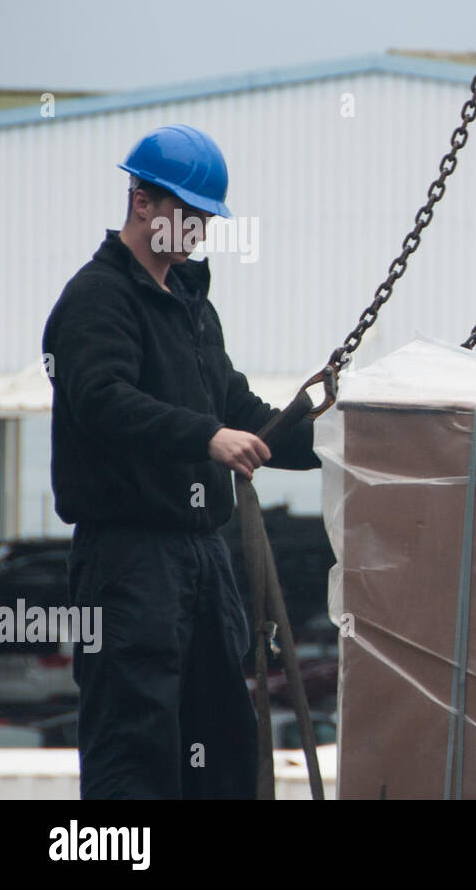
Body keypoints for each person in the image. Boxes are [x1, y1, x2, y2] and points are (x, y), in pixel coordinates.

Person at [42, 124, 320, 799]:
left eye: (206, 219)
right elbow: (104, 400)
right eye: (188, 214)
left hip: (201, 560)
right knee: (134, 748)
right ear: (143, 202)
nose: (197, 230)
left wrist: (348, 440)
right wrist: (206, 437)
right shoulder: (96, 301)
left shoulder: (193, 307)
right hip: (128, 563)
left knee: (223, 740)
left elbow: (245, 414)